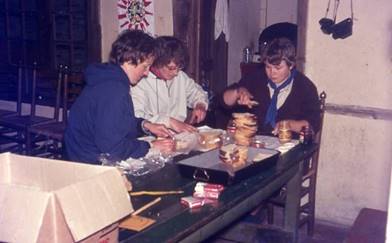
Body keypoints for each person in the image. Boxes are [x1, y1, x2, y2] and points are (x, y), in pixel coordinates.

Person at [64, 30, 175, 164]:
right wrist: (150, 146)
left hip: (88, 156)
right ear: (129, 60)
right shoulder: (113, 89)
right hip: (90, 164)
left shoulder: (111, 79)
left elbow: (117, 122)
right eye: (145, 66)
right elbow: (112, 148)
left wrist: (145, 125)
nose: (146, 73)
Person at [220, 37, 321, 136]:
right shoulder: (256, 78)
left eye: (278, 68)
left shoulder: (305, 87)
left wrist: (289, 125)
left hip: (290, 145)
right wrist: (238, 92)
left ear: (291, 65)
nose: (272, 73)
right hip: (255, 143)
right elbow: (222, 102)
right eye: (268, 67)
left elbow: (312, 125)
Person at [130, 36, 209, 133]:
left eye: (179, 67)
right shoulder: (139, 82)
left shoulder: (180, 76)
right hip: (151, 139)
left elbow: (197, 92)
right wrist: (169, 122)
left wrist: (200, 105)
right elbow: (138, 117)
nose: (176, 73)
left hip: (179, 137)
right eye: (171, 68)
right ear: (156, 63)